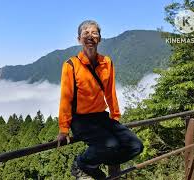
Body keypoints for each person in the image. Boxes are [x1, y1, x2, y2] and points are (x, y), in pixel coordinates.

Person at [56, 20, 144, 180]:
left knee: (136, 146)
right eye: (86, 33)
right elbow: (66, 97)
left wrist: (115, 116)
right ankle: (82, 164)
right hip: (80, 119)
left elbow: (110, 91)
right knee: (111, 145)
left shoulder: (106, 62)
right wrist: (63, 129)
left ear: (100, 39)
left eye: (94, 33)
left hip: (101, 116)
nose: (90, 36)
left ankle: (92, 163)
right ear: (79, 39)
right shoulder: (71, 65)